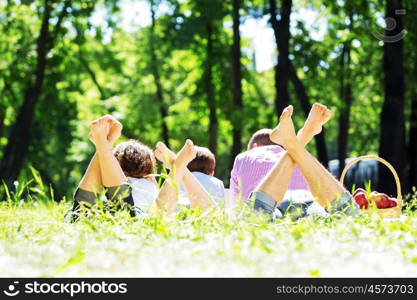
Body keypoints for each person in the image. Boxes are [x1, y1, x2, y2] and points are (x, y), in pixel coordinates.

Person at [68, 115, 214, 221]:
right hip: (134, 220)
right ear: (150, 176)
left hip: (93, 216)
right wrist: (179, 168)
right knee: (143, 213)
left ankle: (103, 148)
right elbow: (209, 211)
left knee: (82, 207)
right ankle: (103, 148)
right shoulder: (151, 186)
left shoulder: (110, 183)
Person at [251, 103, 359, 220]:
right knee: (350, 213)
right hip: (311, 205)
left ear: (253, 147)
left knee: (252, 217)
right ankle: (302, 136)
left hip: (282, 209)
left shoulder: (243, 158)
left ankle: (298, 139)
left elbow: (234, 201)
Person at [229, 129, 309, 207]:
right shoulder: (300, 159)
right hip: (303, 211)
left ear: (255, 146)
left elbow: (234, 204)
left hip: (263, 215)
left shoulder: (242, 158)